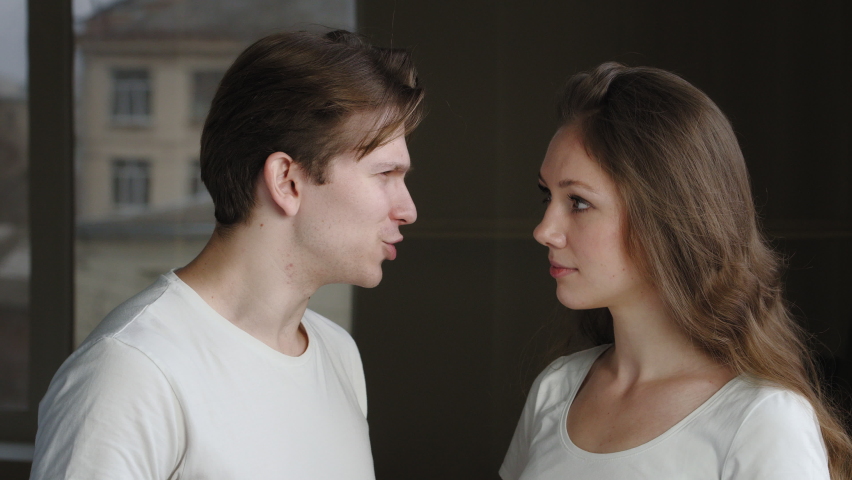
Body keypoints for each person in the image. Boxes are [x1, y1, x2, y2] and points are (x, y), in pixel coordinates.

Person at [31, 30, 424, 479]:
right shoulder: (131, 371)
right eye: (385, 173)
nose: (408, 210)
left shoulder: (339, 354)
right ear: (287, 181)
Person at [500, 63, 852, 479]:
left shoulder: (763, 420)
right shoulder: (556, 390)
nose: (544, 231)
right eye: (547, 197)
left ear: (667, 217)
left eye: (578, 202)